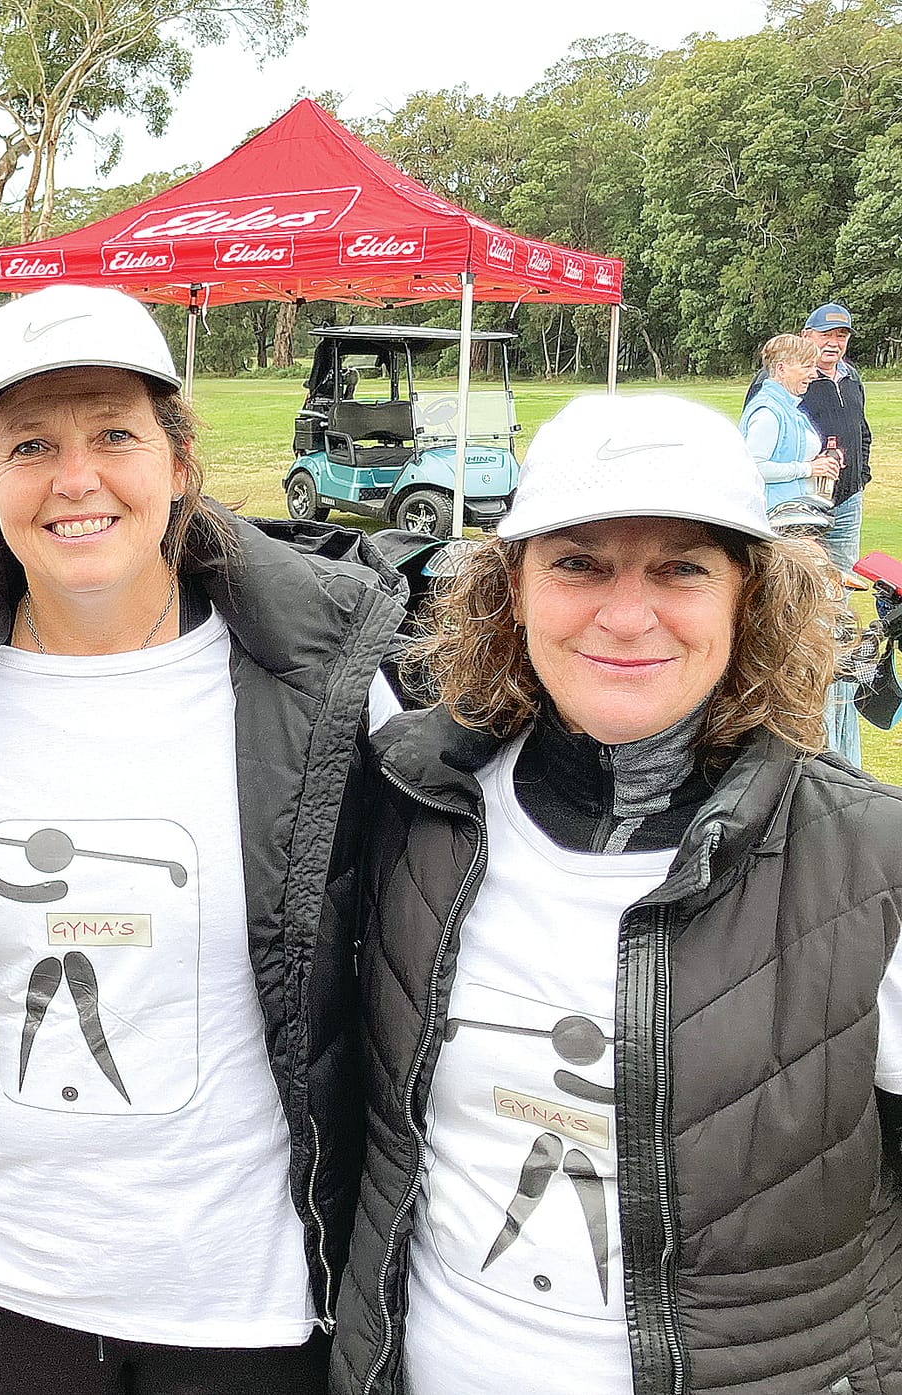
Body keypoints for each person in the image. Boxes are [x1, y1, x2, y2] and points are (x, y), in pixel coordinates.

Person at [0, 284, 408, 1393]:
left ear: (179, 458)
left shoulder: (324, 681)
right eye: (31, 445)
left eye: (114, 434)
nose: (76, 478)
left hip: (243, 1296)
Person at [331, 393, 902, 1395]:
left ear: (748, 595)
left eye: (681, 568)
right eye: (579, 564)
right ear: (511, 588)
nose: (627, 615)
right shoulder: (408, 805)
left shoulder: (870, 862)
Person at [745, 303, 873, 573]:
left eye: (841, 335)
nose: (833, 343)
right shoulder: (774, 387)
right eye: (826, 334)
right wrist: (810, 468)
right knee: (800, 579)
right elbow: (755, 460)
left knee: (842, 578)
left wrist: (861, 476)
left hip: (847, 498)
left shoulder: (851, 377)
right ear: (806, 335)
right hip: (793, 506)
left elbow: (861, 430)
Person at [740, 333, 837, 508]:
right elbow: (755, 467)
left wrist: (820, 462)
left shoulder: (788, 407)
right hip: (774, 514)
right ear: (781, 369)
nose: (814, 374)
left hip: (794, 511)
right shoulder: (768, 412)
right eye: (807, 367)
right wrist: (809, 469)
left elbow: (788, 454)